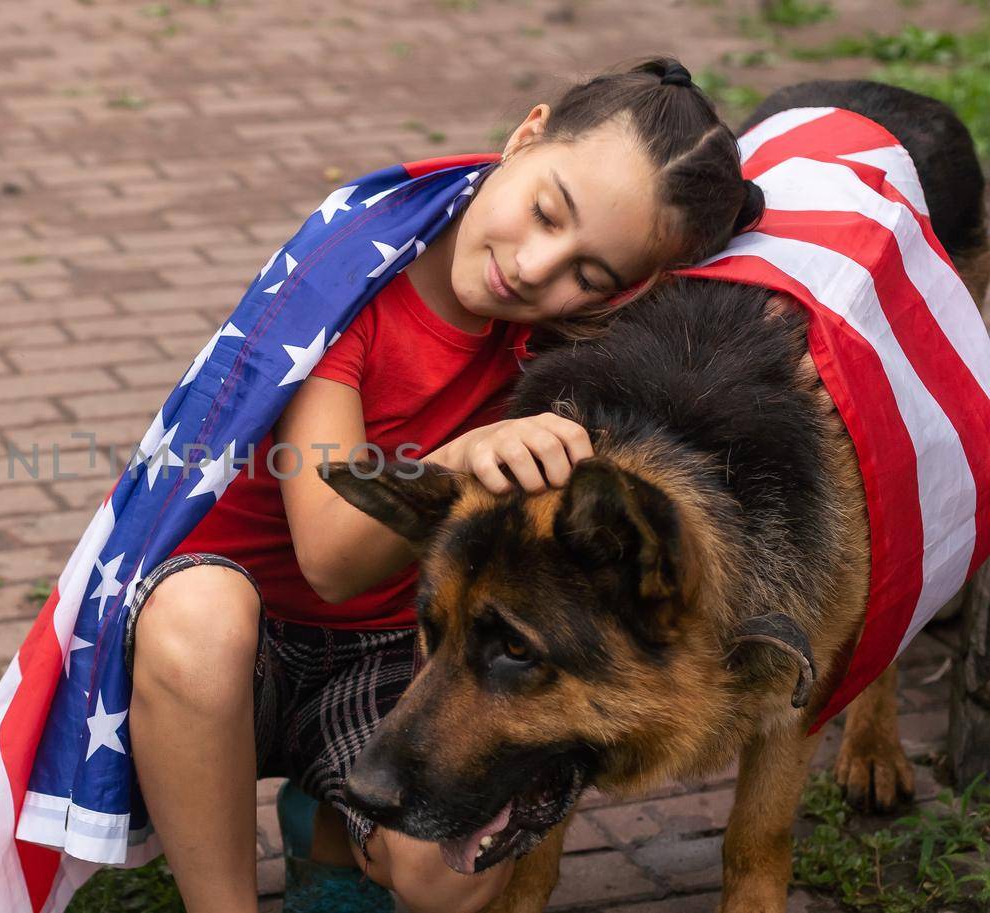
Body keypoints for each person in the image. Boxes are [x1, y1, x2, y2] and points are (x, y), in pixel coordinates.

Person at [126, 57, 765, 913]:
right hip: (241, 654)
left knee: (447, 877)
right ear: (526, 133)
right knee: (196, 613)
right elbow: (329, 555)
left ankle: (335, 824)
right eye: (546, 210)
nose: (539, 268)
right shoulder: (349, 283)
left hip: (409, 655)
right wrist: (466, 454)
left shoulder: (570, 339)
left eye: (591, 273)